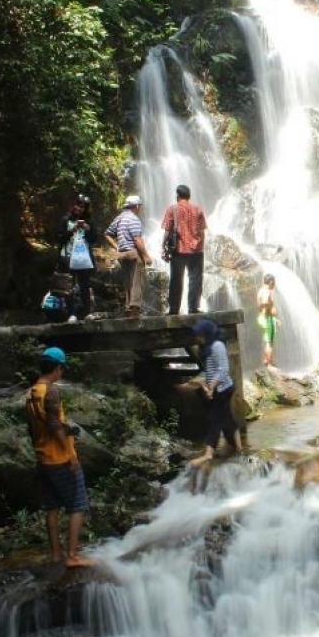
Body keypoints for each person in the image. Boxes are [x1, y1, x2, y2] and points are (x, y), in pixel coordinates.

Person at [25, 347, 92, 568]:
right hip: (59, 459)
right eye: (62, 368)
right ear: (57, 368)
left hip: (43, 458)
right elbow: (53, 425)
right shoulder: (51, 391)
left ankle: (56, 554)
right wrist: (71, 454)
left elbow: (36, 427)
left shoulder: (32, 391)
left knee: (51, 507)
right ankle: (72, 556)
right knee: (78, 503)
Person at [189, 320, 243, 466]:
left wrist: (211, 387)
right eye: (197, 335)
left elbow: (223, 370)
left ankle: (208, 454)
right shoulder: (206, 348)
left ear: (207, 333)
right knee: (227, 418)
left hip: (223, 389)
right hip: (217, 389)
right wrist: (200, 383)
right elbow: (208, 371)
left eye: (199, 335)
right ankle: (239, 448)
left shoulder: (218, 345)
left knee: (214, 419)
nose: (197, 338)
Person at [161, 184, 207, 315]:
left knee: (176, 279)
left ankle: (174, 309)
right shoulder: (198, 209)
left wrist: (163, 246)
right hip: (196, 250)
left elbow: (167, 230)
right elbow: (202, 231)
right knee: (195, 279)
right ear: (189, 196)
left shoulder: (172, 209)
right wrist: (201, 245)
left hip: (178, 250)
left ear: (177, 196)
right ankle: (193, 308)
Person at [104, 194, 152, 318]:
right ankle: (135, 309)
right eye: (139, 206)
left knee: (128, 281)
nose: (140, 208)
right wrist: (146, 256)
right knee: (136, 281)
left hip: (122, 254)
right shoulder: (133, 219)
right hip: (133, 253)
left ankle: (127, 308)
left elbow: (107, 234)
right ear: (135, 206)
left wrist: (116, 247)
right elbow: (137, 239)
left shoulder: (119, 218)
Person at [57, 194, 96, 322]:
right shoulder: (65, 220)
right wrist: (72, 229)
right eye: (78, 205)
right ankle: (71, 314)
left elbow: (94, 239)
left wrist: (87, 229)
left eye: (82, 207)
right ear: (73, 205)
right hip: (67, 257)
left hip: (83, 259)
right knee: (69, 286)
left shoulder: (89, 222)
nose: (79, 208)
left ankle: (86, 313)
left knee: (85, 286)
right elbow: (59, 238)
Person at [256, 273, 278, 367]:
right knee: (269, 342)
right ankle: (269, 364)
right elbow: (264, 302)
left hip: (265, 317)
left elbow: (259, 305)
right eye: (274, 282)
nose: (275, 285)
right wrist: (269, 313)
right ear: (271, 282)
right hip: (267, 318)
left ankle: (267, 360)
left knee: (268, 340)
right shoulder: (266, 291)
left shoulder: (260, 290)